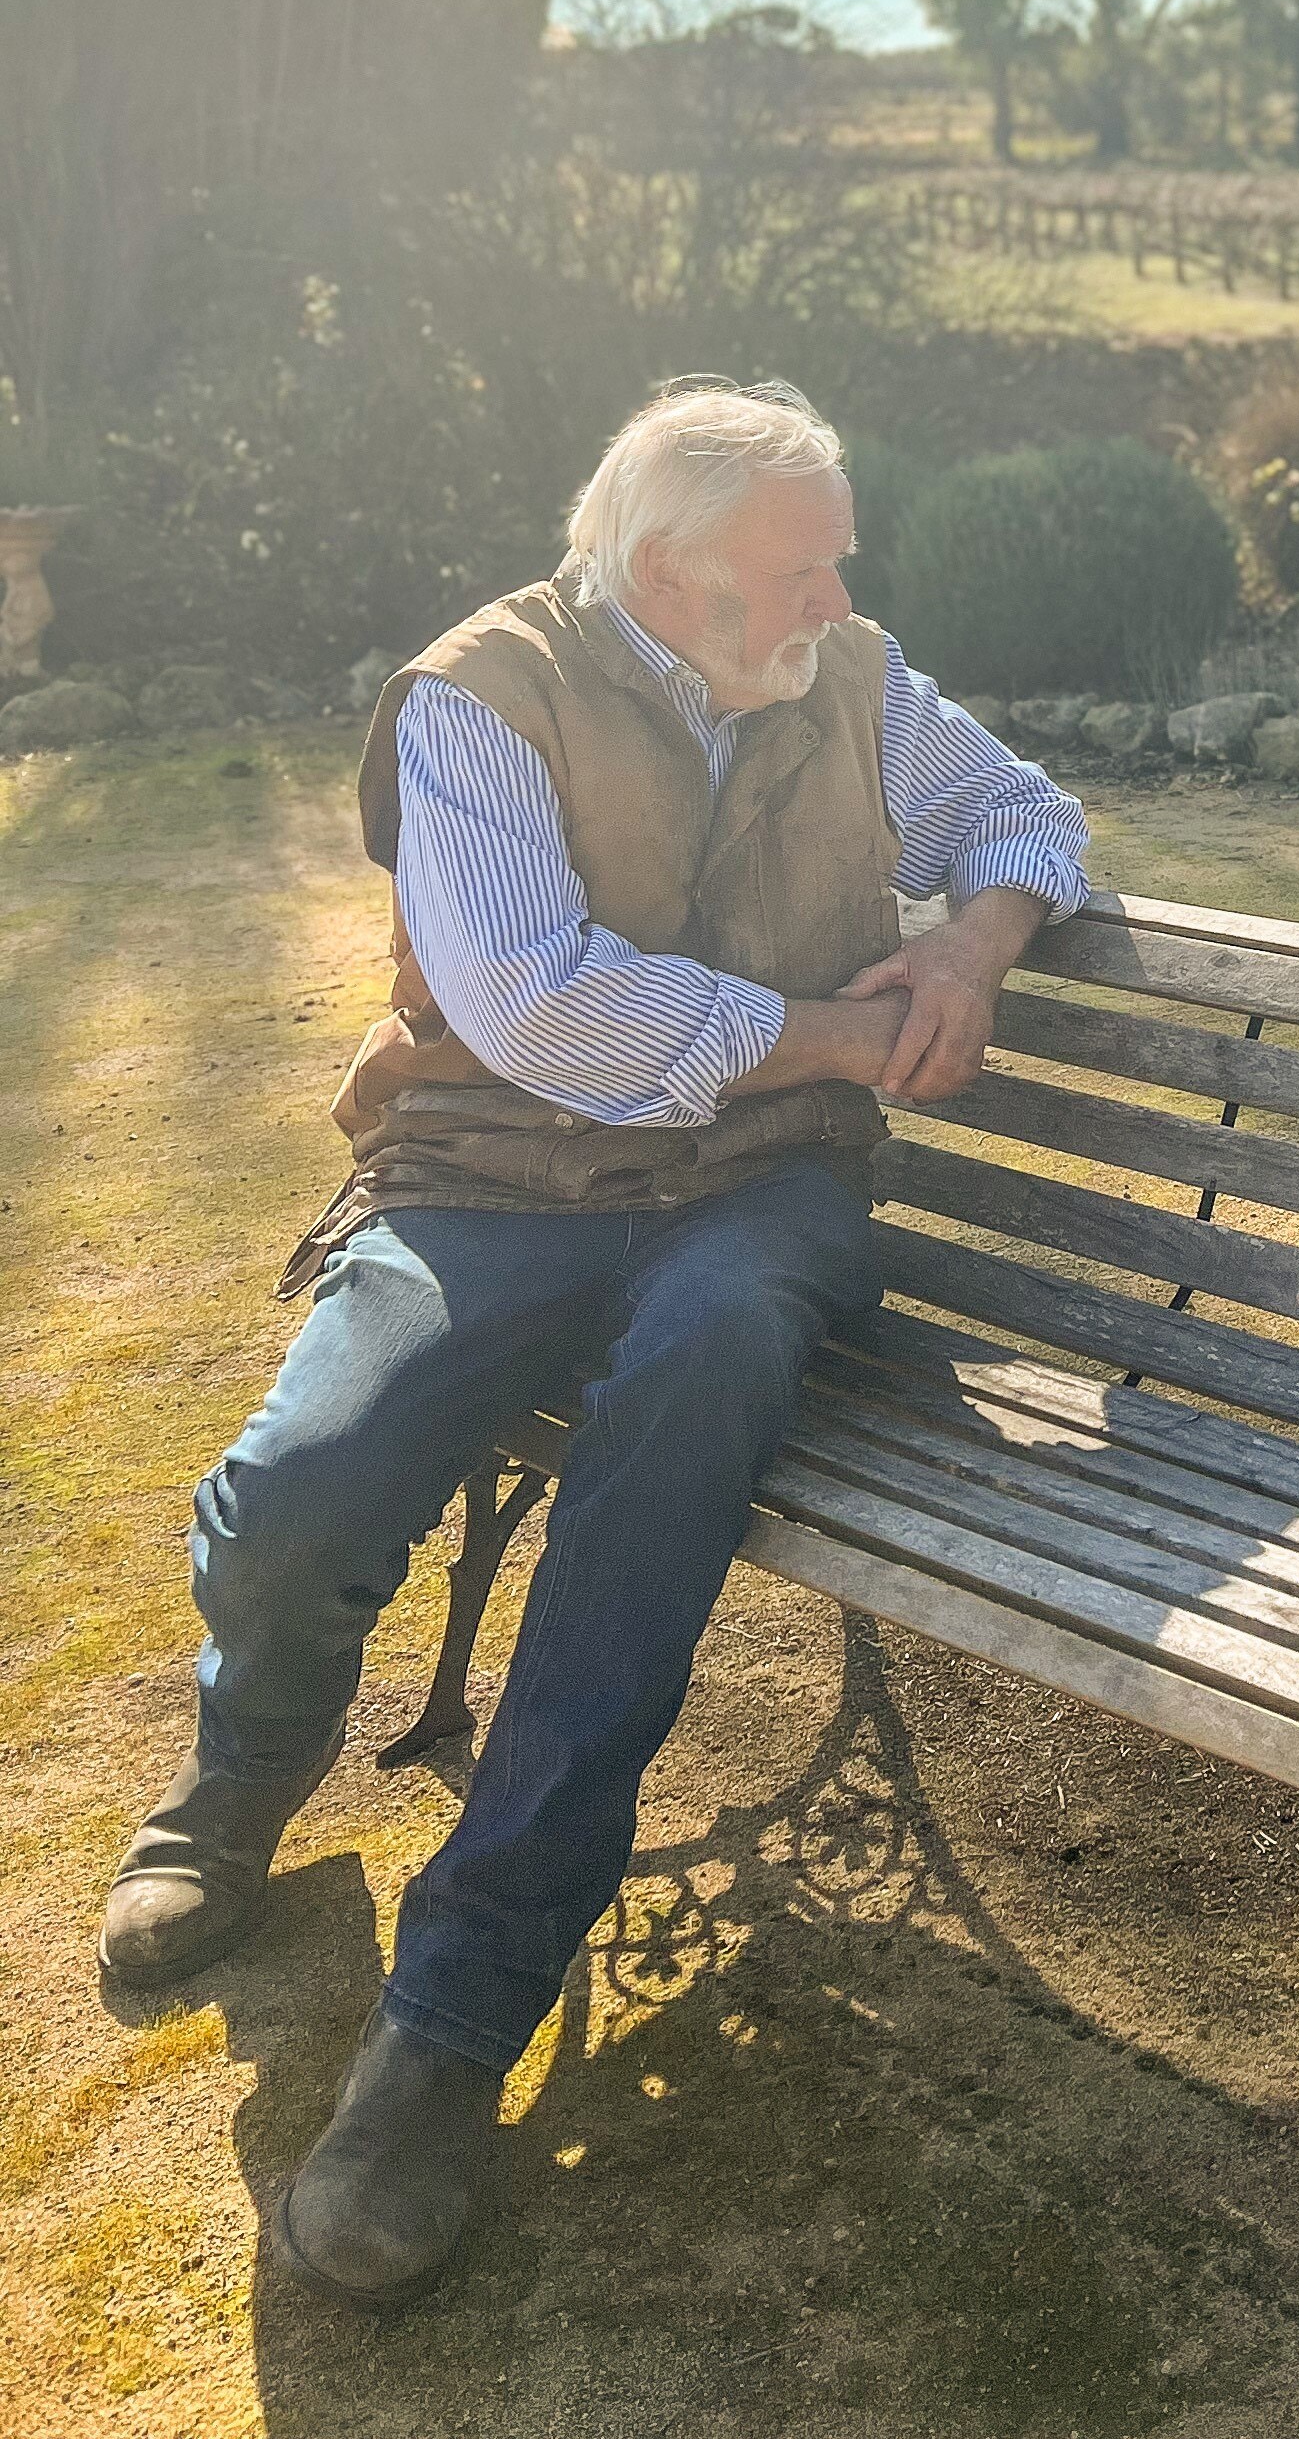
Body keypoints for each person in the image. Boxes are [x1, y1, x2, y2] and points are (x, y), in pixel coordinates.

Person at [98, 379, 1088, 2311]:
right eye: (802, 568)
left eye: (836, 562)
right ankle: (242, 1779)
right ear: (666, 572)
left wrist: (972, 944)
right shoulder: (482, 694)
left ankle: (454, 2019)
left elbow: (1025, 809)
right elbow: (544, 1010)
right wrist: (827, 1031)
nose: (837, 595)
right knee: (300, 1493)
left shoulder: (850, 672)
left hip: (756, 1199)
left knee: (693, 1392)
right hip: (497, 1173)